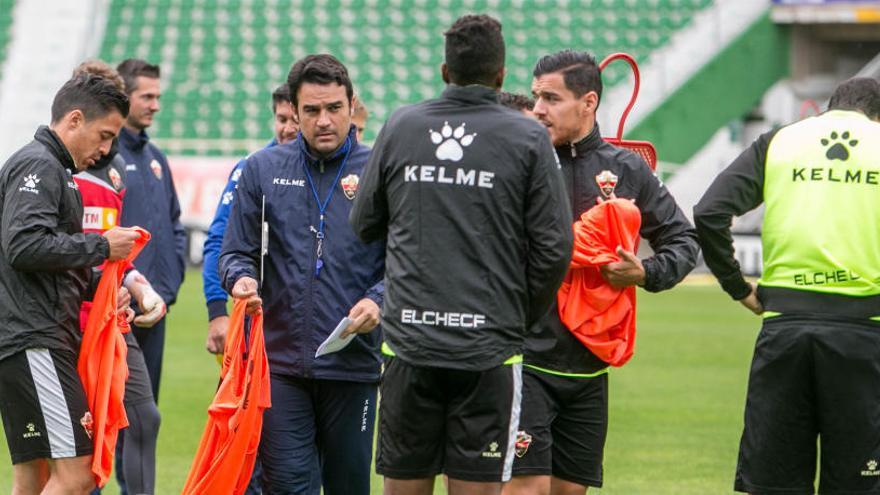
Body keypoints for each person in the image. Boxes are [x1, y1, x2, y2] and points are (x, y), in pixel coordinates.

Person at [350, 15, 573, 495]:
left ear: (444, 71)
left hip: (410, 345)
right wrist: (518, 317)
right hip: (487, 350)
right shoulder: (527, 137)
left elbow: (363, 223)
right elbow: (554, 249)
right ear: (501, 75)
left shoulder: (403, 126)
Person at [505, 50, 699, 495]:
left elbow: (684, 241)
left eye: (551, 98)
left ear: (588, 102)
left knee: (570, 491)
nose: (538, 109)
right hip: (523, 359)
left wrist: (646, 272)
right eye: (536, 97)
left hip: (590, 368)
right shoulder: (518, 160)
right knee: (525, 489)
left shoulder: (628, 169)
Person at [693, 77, 880, 495]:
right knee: (859, 484)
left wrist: (737, 287)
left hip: (784, 331)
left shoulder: (781, 141)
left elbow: (709, 211)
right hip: (863, 333)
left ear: (829, 110)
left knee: (775, 484)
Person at [220, 54, 385, 495]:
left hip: (354, 363)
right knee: (289, 486)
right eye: (311, 110)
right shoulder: (263, 169)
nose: (324, 120)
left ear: (352, 104)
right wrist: (240, 280)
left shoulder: (379, 171)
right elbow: (234, 252)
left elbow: (405, 262)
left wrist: (379, 299)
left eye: (334, 107)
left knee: (348, 486)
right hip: (280, 365)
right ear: (293, 110)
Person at [0, 74, 140, 495]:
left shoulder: (48, 167)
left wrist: (98, 288)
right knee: (78, 476)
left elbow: (42, 259)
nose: (105, 150)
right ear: (75, 119)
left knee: (35, 474)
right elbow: (23, 247)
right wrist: (101, 246)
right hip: (35, 339)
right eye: (104, 136)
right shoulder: (40, 165)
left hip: (24, 337)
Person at [71, 60, 166, 495]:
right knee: (82, 433)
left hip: (112, 318)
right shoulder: (56, 172)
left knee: (144, 417)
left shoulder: (113, 172)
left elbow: (112, 249)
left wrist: (139, 286)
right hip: (69, 321)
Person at [203, 84, 298, 356]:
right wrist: (217, 310)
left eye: (295, 120)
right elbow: (219, 240)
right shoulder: (251, 168)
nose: (288, 129)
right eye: (281, 119)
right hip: (257, 316)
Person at [115, 58, 187, 403]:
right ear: (123, 95)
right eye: (146, 97)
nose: (155, 106)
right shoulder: (104, 156)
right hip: (117, 307)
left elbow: (174, 223)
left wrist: (168, 288)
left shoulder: (155, 157)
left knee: (145, 416)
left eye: (157, 97)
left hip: (155, 307)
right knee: (111, 417)